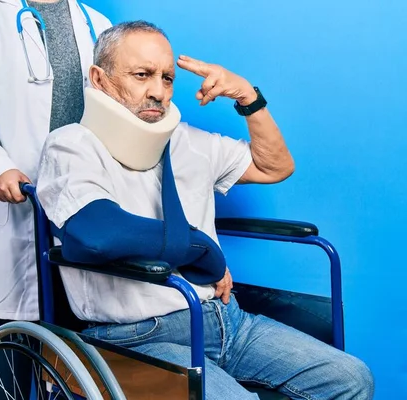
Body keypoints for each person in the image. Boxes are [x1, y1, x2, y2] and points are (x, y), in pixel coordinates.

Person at [36, 21, 375, 399]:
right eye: (142, 75)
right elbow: (98, 233)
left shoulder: (188, 142)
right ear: (100, 79)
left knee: (351, 378)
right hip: (138, 337)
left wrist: (248, 97)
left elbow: (274, 166)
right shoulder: (71, 146)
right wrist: (203, 251)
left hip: (226, 319)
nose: (158, 92)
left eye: (167, 79)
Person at [0, 0, 111, 398]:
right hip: (19, 198)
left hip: (83, 203)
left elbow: (118, 110)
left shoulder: (95, 23)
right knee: (17, 337)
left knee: (81, 347)